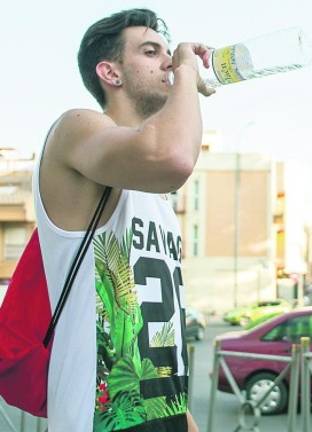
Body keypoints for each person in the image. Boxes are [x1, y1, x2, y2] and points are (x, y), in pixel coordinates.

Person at [35, 8, 214, 431]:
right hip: (100, 418)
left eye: (170, 54)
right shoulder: (75, 129)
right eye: (151, 52)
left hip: (161, 415)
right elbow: (172, 155)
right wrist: (188, 71)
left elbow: (160, 326)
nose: (169, 63)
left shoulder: (157, 199)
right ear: (110, 73)